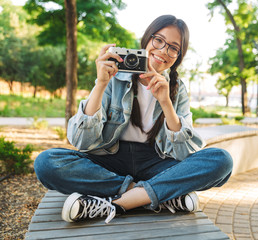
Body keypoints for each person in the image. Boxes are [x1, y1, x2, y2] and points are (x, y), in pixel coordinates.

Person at [34, 15, 233, 224]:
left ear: (179, 55)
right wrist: (101, 84)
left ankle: (116, 203)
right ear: (147, 39)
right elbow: (80, 141)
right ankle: (155, 194)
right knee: (46, 163)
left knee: (221, 161)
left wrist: (166, 103)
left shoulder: (177, 88)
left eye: (174, 47)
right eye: (159, 40)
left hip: (155, 161)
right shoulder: (115, 76)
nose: (164, 51)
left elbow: (184, 153)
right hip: (109, 159)